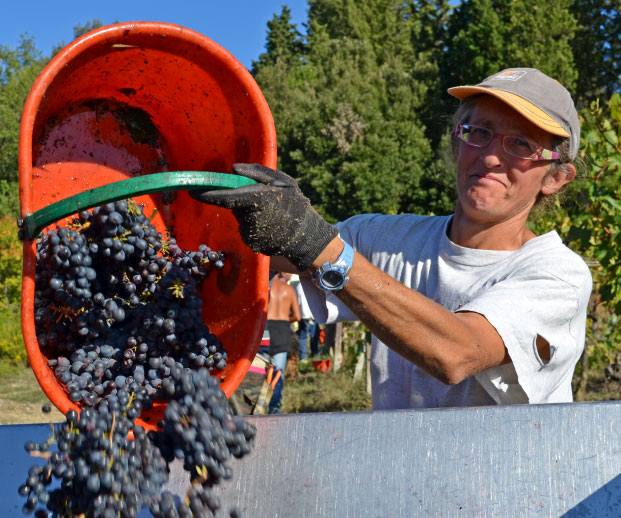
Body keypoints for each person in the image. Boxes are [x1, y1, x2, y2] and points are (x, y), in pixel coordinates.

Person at [191, 67, 592, 409]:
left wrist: (315, 243)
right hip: (398, 479)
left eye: (521, 144)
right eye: (478, 132)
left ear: (556, 177)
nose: (490, 156)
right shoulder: (385, 237)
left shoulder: (558, 276)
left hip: (508, 493)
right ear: (456, 141)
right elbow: (264, 250)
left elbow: (458, 352)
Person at [265, 271, 301, 413]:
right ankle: (274, 408)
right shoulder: (289, 290)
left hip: (266, 330)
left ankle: (258, 402)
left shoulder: (266, 288)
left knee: (262, 369)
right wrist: (285, 318)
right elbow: (297, 316)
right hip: (282, 331)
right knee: (278, 372)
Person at [295, 280, 320, 360]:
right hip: (311, 315)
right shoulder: (312, 285)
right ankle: (312, 354)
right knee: (312, 336)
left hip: (304, 315)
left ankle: (304, 356)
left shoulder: (299, 286)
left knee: (304, 336)